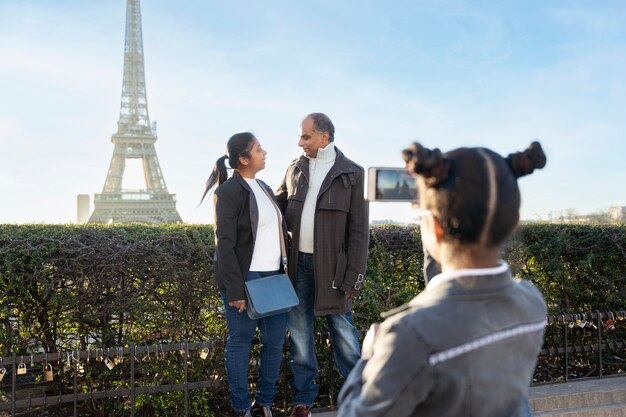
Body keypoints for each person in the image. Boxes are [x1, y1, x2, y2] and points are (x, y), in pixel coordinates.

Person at [338, 141, 548, 417]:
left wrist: (368, 359)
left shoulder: (408, 336)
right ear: (513, 222)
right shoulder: (531, 302)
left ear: (434, 227)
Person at [275, 113, 369, 417]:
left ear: (324, 137)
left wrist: (352, 278)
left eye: (306, 136)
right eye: (301, 136)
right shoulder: (295, 168)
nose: (300, 142)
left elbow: (359, 232)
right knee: (300, 335)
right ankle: (303, 400)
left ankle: (358, 396)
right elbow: (276, 206)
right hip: (297, 267)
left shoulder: (353, 174)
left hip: (334, 269)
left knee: (344, 333)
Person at [201, 132, 288, 417]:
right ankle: (241, 408)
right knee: (240, 342)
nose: (265, 152)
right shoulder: (226, 192)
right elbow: (223, 244)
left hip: (274, 277)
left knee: (274, 342)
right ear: (242, 158)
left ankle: (264, 403)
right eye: (259, 148)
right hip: (245, 279)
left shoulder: (264, 187)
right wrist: (234, 290)